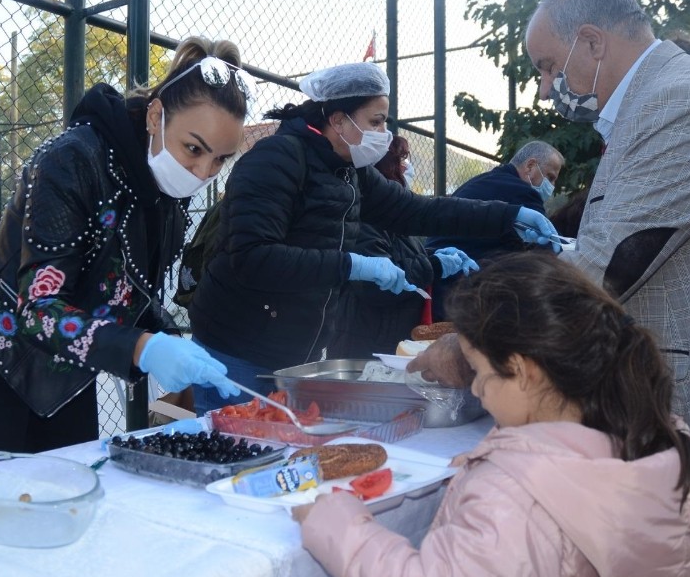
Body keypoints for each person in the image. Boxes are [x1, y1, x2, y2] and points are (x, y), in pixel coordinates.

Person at [411, 0, 690, 577]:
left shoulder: (689, 102)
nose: (549, 88)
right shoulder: (663, 102)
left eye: (551, 66)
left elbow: (607, 265)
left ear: (592, 42)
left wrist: (469, 345)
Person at [295, 253, 690, 577]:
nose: (475, 387)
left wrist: (338, 523)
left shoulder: (515, 496)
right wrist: (489, 464)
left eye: (478, 372)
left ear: (523, 371)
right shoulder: (641, 443)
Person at [0, 37, 253, 470]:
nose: (202, 172)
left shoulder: (164, 190)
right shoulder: (73, 160)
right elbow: (36, 311)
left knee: (69, 487)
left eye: (219, 160)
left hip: (70, 360)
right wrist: (142, 348)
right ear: (157, 115)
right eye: (193, 149)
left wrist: (176, 344)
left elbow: (128, 287)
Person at [187, 61, 558, 415]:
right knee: (236, 450)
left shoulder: (349, 171)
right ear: (337, 119)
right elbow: (254, 257)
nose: (385, 133)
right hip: (235, 345)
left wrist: (508, 216)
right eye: (376, 121)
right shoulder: (276, 159)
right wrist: (353, 266)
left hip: (294, 349)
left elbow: (418, 210)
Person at [327, 136, 476, 359]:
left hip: (388, 336)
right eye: (402, 163)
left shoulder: (392, 217)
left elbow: (402, 254)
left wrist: (435, 255)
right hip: (364, 345)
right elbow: (378, 284)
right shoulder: (363, 216)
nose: (409, 170)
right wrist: (434, 265)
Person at [425, 140, 564, 320]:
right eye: (550, 177)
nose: (551, 187)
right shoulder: (522, 191)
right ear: (530, 166)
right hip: (464, 292)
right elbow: (547, 251)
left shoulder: (486, 181)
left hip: (440, 284)